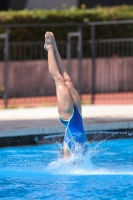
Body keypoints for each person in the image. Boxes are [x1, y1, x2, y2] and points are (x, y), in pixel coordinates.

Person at [44, 32, 88, 158]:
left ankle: (52, 48)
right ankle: (52, 48)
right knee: (63, 80)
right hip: (74, 116)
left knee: (63, 80)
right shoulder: (72, 157)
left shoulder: (72, 154)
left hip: (73, 116)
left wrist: (62, 156)